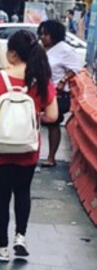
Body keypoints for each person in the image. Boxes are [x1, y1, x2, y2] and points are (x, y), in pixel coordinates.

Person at [0, 31, 58, 262]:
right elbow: (53, 115)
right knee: (22, 192)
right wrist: (34, 117)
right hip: (28, 148)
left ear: (13, 54)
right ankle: (20, 236)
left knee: (1, 197)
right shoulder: (41, 79)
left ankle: (2, 248)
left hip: (0, 148)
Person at [37, 19, 83, 167]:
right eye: (41, 34)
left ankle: (51, 157)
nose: (42, 37)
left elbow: (76, 68)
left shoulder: (65, 50)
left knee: (53, 123)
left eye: (45, 34)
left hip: (56, 92)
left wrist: (63, 80)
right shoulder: (41, 48)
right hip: (39, 90)